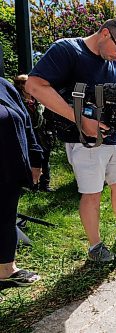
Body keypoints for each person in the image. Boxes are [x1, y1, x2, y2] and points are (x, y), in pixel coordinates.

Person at [26, 18, 116, 262]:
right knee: (93, 193)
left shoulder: (115, 65)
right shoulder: (67, 50)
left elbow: (115, 99)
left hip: (114, 138)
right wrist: (80, 119)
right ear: (105, 34)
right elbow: (35, 86)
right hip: (83, 140)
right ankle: (95, 246)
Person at [0, 78, 43, 287]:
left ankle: (6, 270)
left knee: (6, 215)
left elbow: (26, 123)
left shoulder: (4, 85)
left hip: (8, 163)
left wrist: (36, 158)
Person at [13, 74, 54, 192]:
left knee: (45, 158)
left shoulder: (38, 98)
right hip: (28, 135)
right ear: (20, 85)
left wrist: (50, 130)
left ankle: (45, 184)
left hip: (42, 134)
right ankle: (32, 185)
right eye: (26, 82)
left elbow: (48, 115)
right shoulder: (17, 101)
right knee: (31, 159)